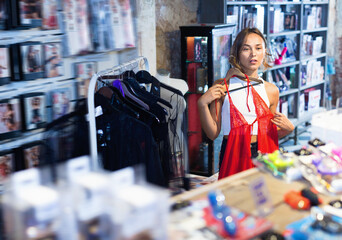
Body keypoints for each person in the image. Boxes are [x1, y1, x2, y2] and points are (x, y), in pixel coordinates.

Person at [197, 27, 294, 179]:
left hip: (262, 154)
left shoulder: (271, 90)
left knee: (262, 200)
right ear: (237, 52)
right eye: (246, 49)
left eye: (258, 48)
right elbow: (212, 133)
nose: (253, 54)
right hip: (232, 153)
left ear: (265, 51)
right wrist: (202, 104)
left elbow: (269, 134)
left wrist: (288, 129)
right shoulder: (223, 86)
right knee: (234, 198)